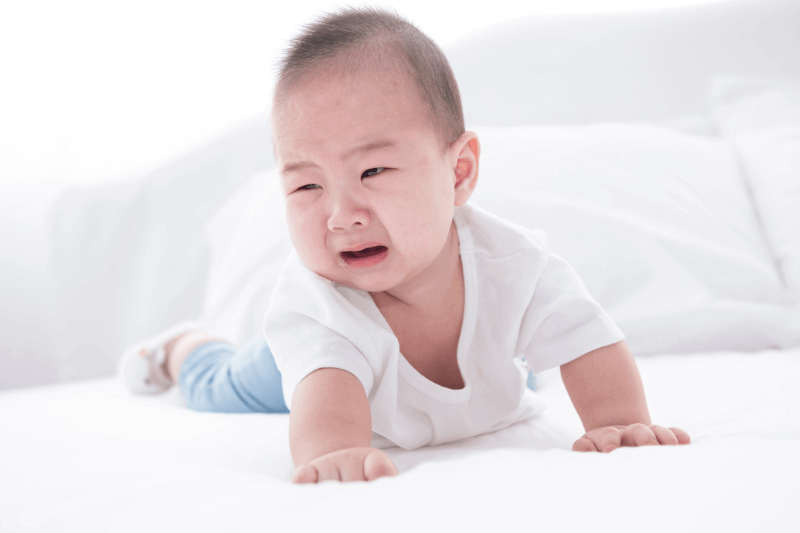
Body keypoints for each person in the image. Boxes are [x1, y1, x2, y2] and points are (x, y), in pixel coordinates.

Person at [119, 6, 690, 484]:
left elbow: (586, 339)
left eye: (372, 172)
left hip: (464, 362)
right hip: (300, 365)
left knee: (516, 357)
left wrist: (618, 422)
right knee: (224, 386)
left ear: (459, 171)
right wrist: (334, 453)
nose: (342, 214)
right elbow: (327, 413)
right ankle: (180, 348)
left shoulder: (515, 266)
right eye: (308, 184)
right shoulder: (314, 308)